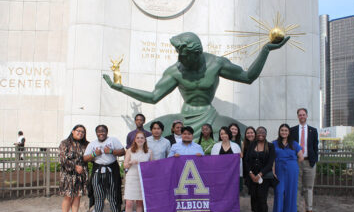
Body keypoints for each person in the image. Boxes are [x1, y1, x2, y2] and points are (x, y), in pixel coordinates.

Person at [103, 32, 289, 138]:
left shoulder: (217, 63)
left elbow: (248, 77)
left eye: (183, 55)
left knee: (248, 135)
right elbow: (153, 97)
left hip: (210, 116)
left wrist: (266, 50)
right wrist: (121, 88)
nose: (180, 59)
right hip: (184, 119)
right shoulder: (176, 70)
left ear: (196, 53)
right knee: (146, 135)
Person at [83, 125, 126, 212]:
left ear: (107, 132)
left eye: (103, 131)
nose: (101, 133)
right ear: (96, 132)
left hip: (111, 170)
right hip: (97, 171)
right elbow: (85, 158)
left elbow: (122, 151)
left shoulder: (113, 140)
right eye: (98, 131)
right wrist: (94, 154)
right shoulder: (92, 144)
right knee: (98, 196)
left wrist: (111, 151)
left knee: (112, 195)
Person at [168, 126, 204, 212]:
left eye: (189, 134)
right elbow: (168, 160)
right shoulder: (175, 146)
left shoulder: (198, 147)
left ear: (192, 136)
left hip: (193, 178)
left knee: (191, 200)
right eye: (184, 133)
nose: (186, 135)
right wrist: (174, 157)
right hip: (178, 177)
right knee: (177, 199)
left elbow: (204, 163)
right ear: (181, 135)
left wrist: (200, 157)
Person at [244, 126, 275, 212]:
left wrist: (260, 174)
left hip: (264, 178)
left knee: (262, 200)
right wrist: (251, 174)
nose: (260, 134)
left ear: (266, 134)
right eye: (259, 132)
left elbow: (270, 163)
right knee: (255, 200)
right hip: (252, 178)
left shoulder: (270, 146)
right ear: (256, 134)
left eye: (263, 132)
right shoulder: (252, 145)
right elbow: (246, 161)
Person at [210, 127, 241, 212]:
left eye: (225, 133)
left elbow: (239, 163)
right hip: (218, 179)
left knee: (230, 199)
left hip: (231, 179)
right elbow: (213, 163)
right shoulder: (216, 146)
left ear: (229, 134)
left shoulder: (236, 146)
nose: (223, 136)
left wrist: (239, 175)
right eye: (221, 134)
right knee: (219, 199)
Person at [58, 125, 89, 212]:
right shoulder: (65, 143)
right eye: (78, 131)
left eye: (82, 132)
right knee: (68, 196)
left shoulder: (85, 144)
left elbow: (89, 156)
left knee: (77, 196)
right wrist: (75, 167)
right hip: (68, 174)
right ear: (73, 131)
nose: (80, 133)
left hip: (81, 174)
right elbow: (62, 159)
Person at [272, 124, 303, 212]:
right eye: (282, 130)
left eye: (286, 130)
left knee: (290, 193)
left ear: (289, 132)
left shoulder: (294, 144)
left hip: (291, 171)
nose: (284, 132)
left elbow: (301, 157)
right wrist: (273, 171)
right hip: (279, 170)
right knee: (279, 192)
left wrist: (292, 164)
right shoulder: (274, 143)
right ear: (279, 132)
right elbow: (271, 159)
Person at [290, 108, 319, 212]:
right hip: (297, 162)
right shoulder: (292, 130)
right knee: (296, 186)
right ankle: (295, 208)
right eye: (300, 115)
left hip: (309, 162)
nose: (302, 116)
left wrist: (314, 159)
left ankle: (309, 209)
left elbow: (316, 147)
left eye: (303, 114)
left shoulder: (313, 130)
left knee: (309, 187)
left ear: (307, 116)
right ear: (298, 116)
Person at [123, 131, 153, 212]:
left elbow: (152, 166)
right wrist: (131, 162)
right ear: (135, 140)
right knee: (129, 203)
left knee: (140, 203)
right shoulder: (130, 151)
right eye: (138, 138)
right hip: (132, 177)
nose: (140, 140)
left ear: (145, 140)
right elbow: (125, 165)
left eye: (142, 138)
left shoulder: (149, 151)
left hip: (142, 178)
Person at [146, 121, 171, 212]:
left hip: (161, 173)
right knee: (148, 195)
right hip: (148, 172)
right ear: (151, 130)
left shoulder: (166, 142)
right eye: (154, 128)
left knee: (161, 196)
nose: (156, 130)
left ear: (162, 130)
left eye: (158, 128)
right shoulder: (146, 141)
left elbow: (169, 157)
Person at [242, 126, 256, 212]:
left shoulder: (259, 143)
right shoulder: (244, 144)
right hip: (249, 173)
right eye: (248, 133)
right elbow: (242, 158)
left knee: (260, 194)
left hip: (259, 173)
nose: (250, 134)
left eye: (251, 132)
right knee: (253, 194)